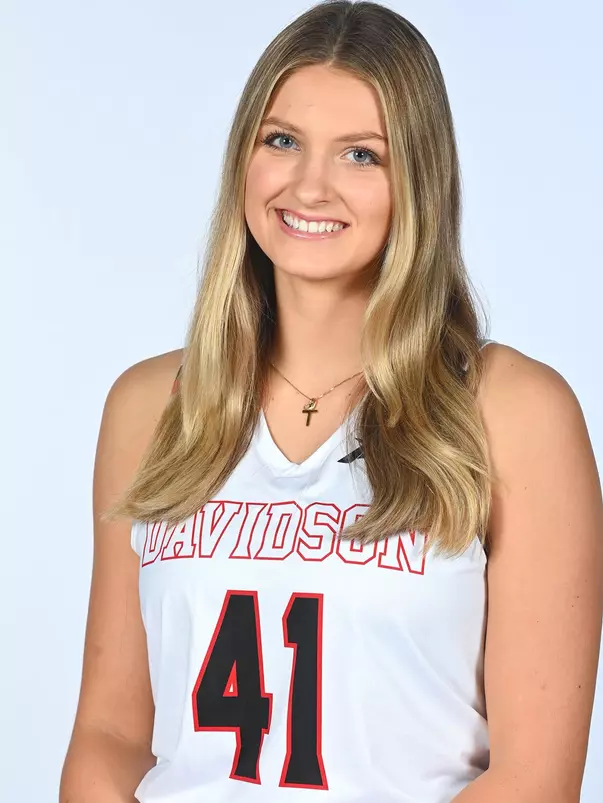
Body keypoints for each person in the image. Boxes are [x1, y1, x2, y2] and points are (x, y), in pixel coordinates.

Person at [59, 1, 603, 802]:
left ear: (416, 178)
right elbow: (106, 735)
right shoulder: (149, 405)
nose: (309, 185)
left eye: (360, 154)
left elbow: (531, 778)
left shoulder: (513, 412)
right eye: (281, 140)